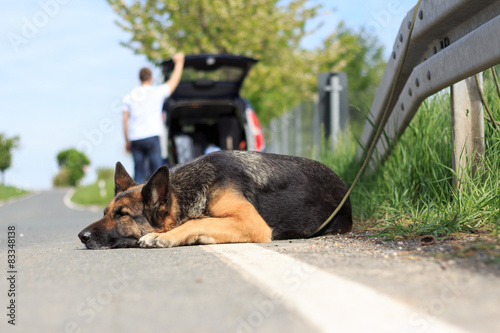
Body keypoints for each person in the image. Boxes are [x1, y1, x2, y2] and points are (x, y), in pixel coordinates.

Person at [122, 53, 185, 183]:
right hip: (152, 136)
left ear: (140, 78)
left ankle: (136, 201)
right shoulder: (157, 92)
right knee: (157, 174)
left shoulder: (129, 96)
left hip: (136, 138)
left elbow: (124, 119)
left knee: (138, 173)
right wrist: (179, 62)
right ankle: (158, 202)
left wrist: (127, 140)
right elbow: (173, 82)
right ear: (151, 78)